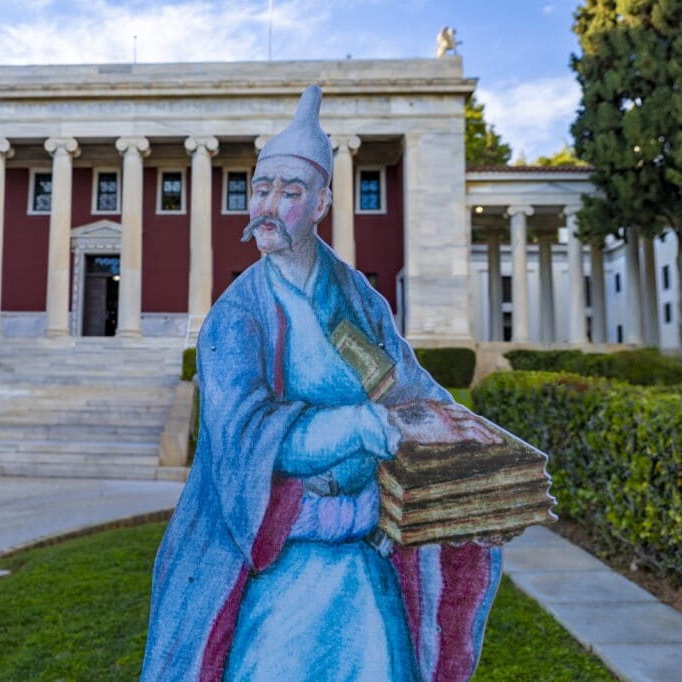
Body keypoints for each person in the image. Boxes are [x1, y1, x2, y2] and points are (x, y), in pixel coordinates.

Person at [142, 86, 503, 682]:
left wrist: (469, 434)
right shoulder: (237, 317)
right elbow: (252, 440)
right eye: (260, 190)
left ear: (320, 204)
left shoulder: (359, 299)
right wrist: (367, 425)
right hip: (278, 568)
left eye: (289, 193)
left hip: (365, 559)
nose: (267, 206)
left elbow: (407, 386)